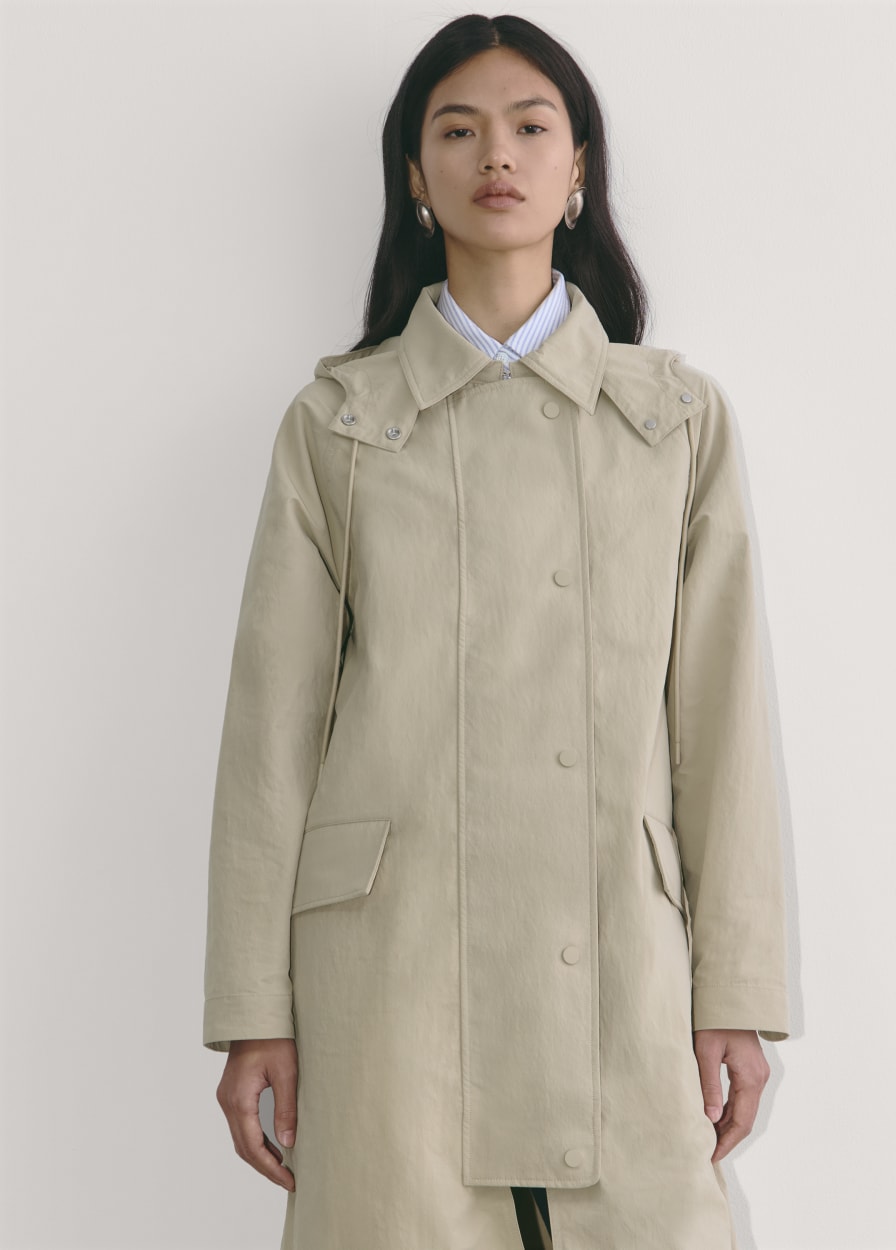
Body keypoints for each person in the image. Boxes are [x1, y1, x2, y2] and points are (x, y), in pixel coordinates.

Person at [202, 13, 791, 1250]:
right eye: (457, 131)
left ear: (579, 170)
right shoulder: (339, 423)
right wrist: (255, 1008)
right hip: (393, 964)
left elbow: (725, 723)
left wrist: (736, 990)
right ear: (415, 178)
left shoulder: (673, 421)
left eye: (530, 127)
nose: (496, 156)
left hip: (621, 956)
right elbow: (270, 735)